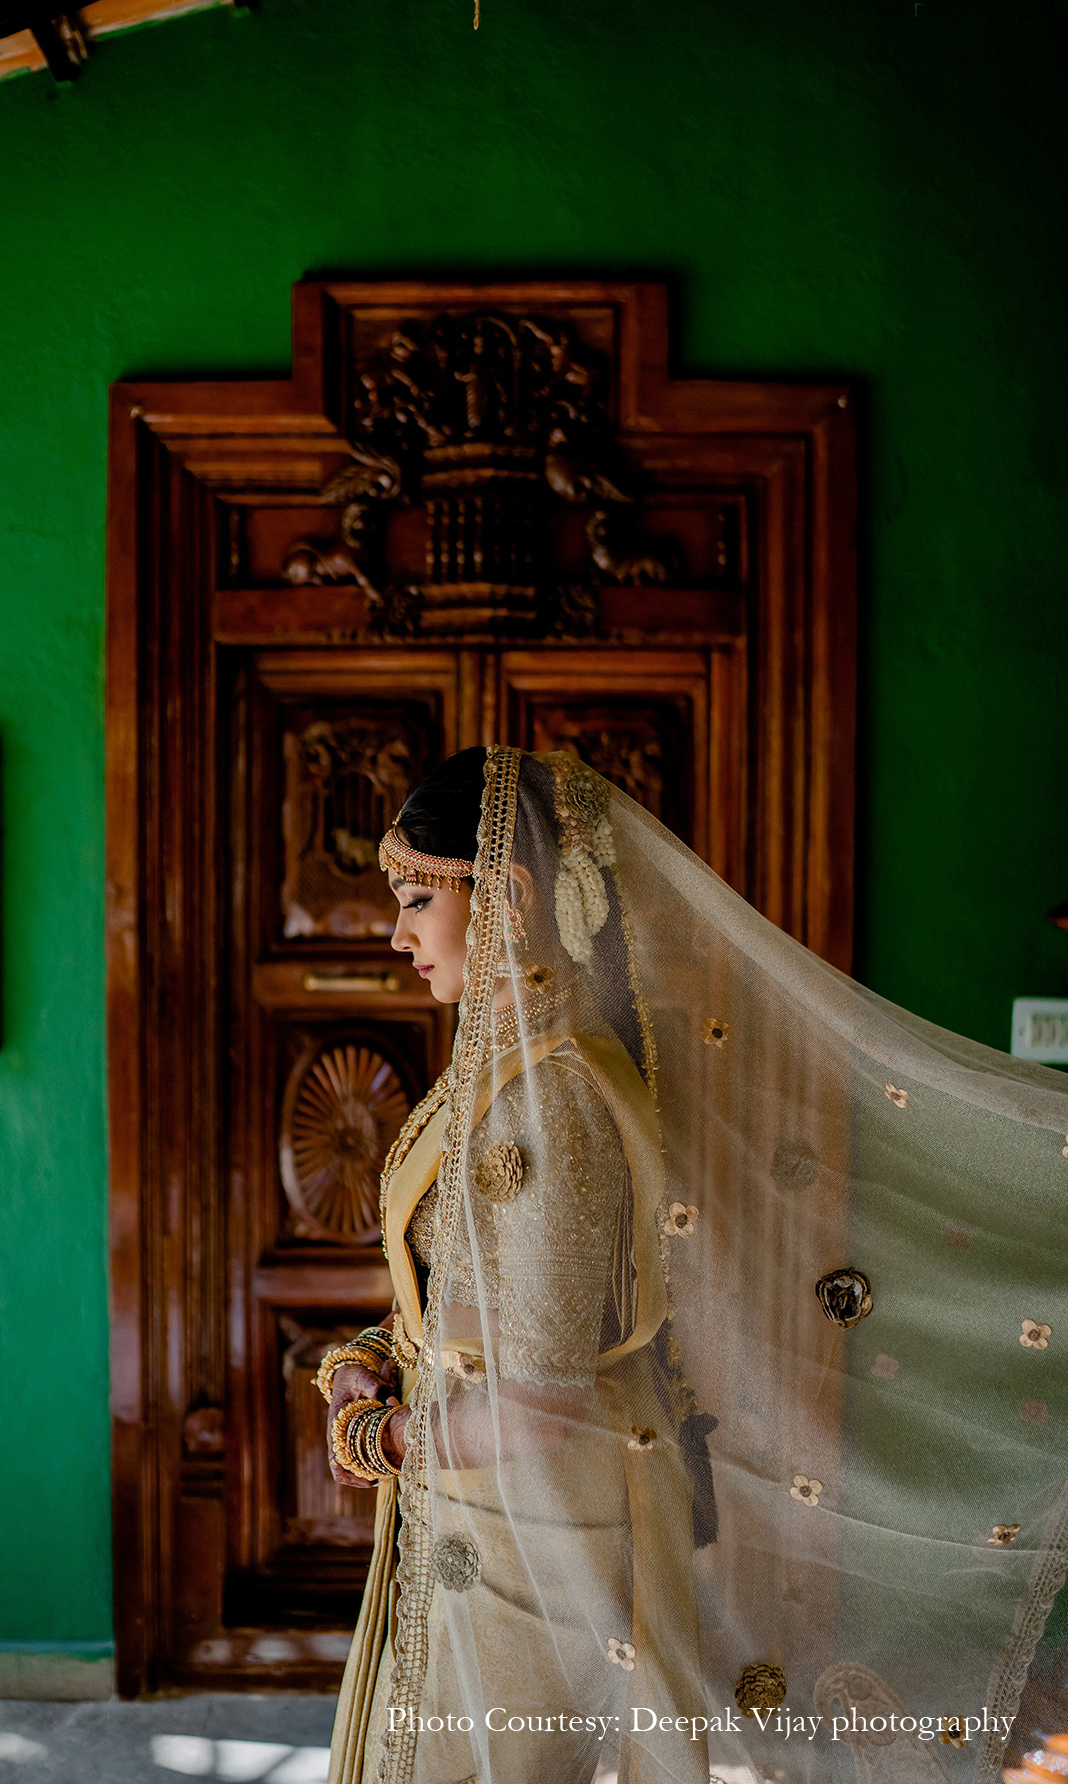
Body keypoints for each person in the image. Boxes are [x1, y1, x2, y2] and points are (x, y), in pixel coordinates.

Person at [325, 747, 1068, 1784]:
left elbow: (537, 1401)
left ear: (507, 896)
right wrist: (372, 1355)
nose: (398, 935)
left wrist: (379, 1435)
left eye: (417, 900)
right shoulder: (498, 1068)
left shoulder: (551, 1096)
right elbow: (467, 1293)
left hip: (526, 1524)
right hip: (484, 1504)